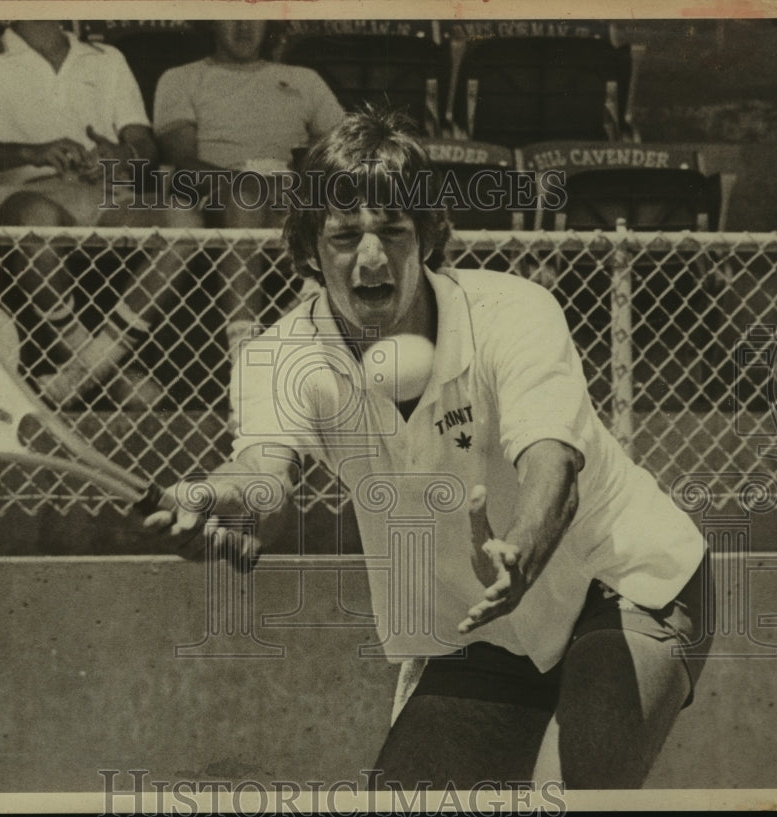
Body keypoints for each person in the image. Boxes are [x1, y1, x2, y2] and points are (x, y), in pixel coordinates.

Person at [145, 108, 712, 789]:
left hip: (624, 585)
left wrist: (521, 549)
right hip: (485, 632)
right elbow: (263, 472)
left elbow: (551, 461)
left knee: (567, 800)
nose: (373, 256)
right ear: (306, 251)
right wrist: (217, 498)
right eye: (346, 235)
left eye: (393, 230)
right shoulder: (277, 358)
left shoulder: (515, 311)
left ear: (430, 237)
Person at [0, 21, 174, 408]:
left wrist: (121, 156)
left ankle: (85, 370)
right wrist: (31, 153)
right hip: (25, 193)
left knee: (183, 221)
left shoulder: (107, 58)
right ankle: (108, 371)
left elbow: (145, 147)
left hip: (105, 195)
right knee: (37, 218)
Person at [153, 19, 345, 360]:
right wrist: (247, 182)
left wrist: (300, 179)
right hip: (216, 191)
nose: (244, 26)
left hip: (289, 195)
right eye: (230, 14)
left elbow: (345, 148)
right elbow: (181, 160)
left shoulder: (305, 80)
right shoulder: (180, 78)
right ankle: (243, 355)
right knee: (248, 193)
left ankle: (300, 313)